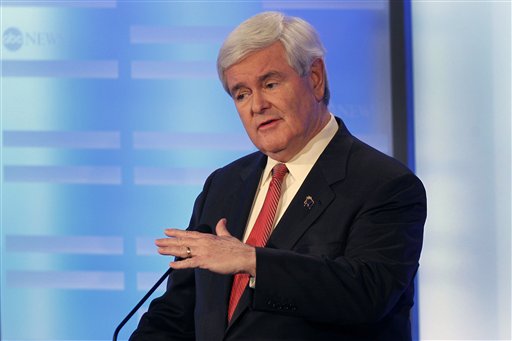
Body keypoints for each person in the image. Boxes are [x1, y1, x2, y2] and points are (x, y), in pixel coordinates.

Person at [130, 11, 426, 341]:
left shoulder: (385, 184)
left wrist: (251, 261)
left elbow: (367, 293)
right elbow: (178, 311)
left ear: (315, 78)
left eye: (270, 84)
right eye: (241, 93)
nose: (257, 105)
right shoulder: (224, 185)